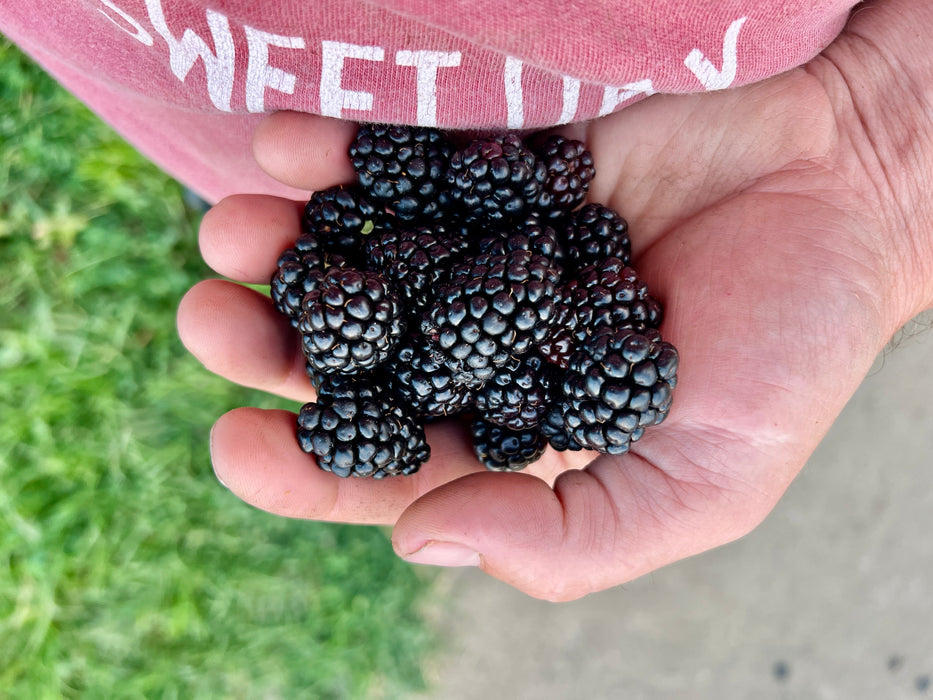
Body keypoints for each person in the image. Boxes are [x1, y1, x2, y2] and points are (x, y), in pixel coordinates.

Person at [4, 0, 932, 601]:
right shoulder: (455, 288)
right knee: (256, 196)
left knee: (271, 209)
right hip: (195, 89)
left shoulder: (511, 296)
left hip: (697, 131)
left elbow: (485, 316)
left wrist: (888, 124)